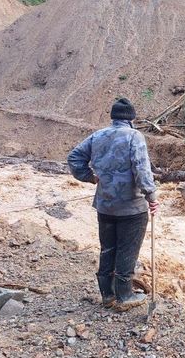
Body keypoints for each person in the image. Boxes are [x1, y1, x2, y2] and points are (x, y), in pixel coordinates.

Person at [67, 98, 159, 312]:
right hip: (131, 208)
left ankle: (107, 295)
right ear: (131, 119)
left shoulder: (97, 136)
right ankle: (124, 296)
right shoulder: (135, 136)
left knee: (108, 249)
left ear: (113, 117)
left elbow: (74, 158)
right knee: (127, 250)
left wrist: (90, 177)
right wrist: (151, 196)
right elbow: (141, 168)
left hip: (105, 205)